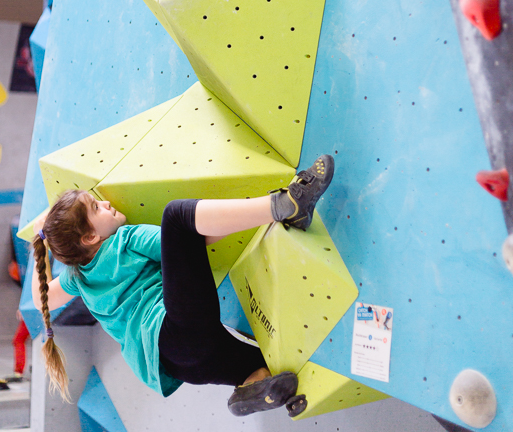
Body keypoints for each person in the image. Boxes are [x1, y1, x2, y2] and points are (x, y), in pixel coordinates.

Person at [32, 154, 334, 416]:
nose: (106, 202)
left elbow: (41, 298)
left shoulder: (78, 278)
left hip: (173, 366)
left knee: (263, 369)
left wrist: (40, 243)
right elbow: (192, 238)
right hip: (175, 329)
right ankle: (286, 204)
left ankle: (260, 389)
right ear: (89, 238)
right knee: (176, 217)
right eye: (96, 207)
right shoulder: (125, 240)